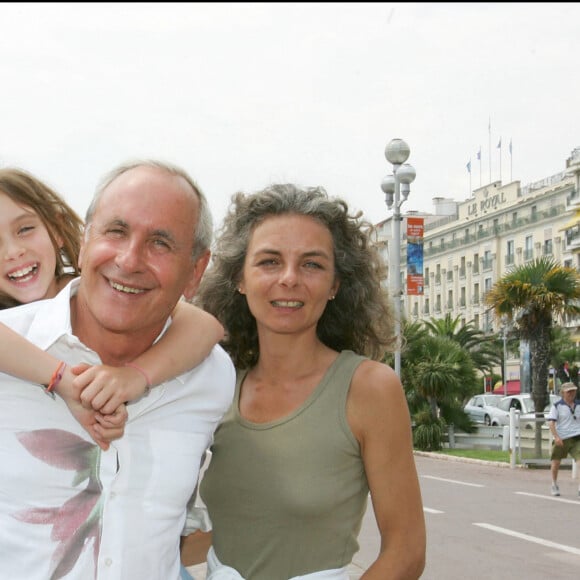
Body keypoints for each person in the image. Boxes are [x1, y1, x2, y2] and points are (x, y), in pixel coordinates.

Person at [0, 160, 236, 579]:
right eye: (116, 231)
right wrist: (58, 377)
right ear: (86, 238)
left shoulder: (210, 376)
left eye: (160, 242)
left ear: (195, 271)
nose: (130, 260)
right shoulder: (13, 348)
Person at [190, 184, 426, 579]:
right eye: (269, 261)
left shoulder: (368, 388)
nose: (289, 279)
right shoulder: (217, 384)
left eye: (312, 264)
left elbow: (406, 553)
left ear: (336, 285)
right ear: (239, 278)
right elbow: (239, 531)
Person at [0, 167, 225, 447]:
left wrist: (136, 375)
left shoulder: (102, 287)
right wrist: (63, 380)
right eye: (117, 231)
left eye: (25, 229)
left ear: (57, 229)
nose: (12, 252)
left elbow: (203, 326)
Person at [546, 381, 580, 497]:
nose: (571, 393)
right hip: (562, 438)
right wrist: (556, 437)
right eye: (569, 391)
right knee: (556, 463)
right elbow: (551, 423)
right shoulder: (557, 406)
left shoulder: (579, 405)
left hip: (577, 438)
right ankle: (554, 484)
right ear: (563, 393)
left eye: (573, 391)